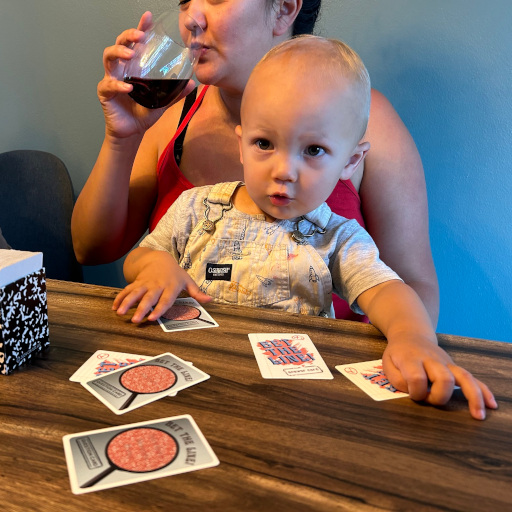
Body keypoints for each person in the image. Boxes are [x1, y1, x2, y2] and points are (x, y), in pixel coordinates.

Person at [113, 36, 496, 421]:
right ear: (242, 145)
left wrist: (413, 337)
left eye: (313, 150)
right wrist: (154, 266)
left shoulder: (339, 239)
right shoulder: (196, 208)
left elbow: (387, 292)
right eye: (264, 143)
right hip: (195, 386)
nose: (284, 171)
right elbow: (141, 257)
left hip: (295, 401)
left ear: (350, 161)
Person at [71, 0, 439, 325]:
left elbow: (411, 284)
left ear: (284, 8)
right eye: (185, 0)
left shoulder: (366, 123)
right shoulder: (170, 118)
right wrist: (121, 138)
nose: (190, 18)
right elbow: (92, 250)